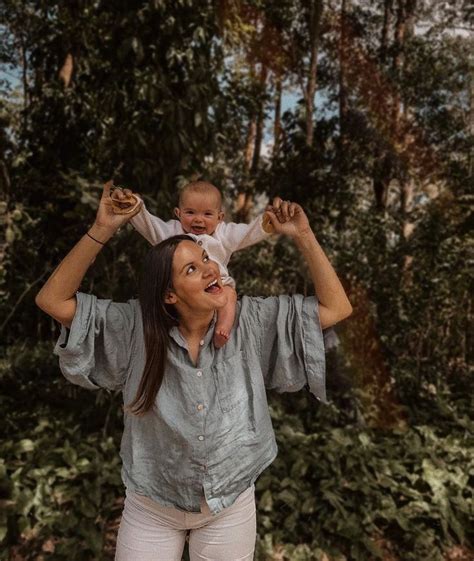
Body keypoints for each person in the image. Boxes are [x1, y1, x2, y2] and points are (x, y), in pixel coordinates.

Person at [35, 181, 352, 561]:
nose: (209, 270)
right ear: (169, 293)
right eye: (191, 268)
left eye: (205, 260)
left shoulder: (249, 321)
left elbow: (336, 309)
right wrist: (102, 229)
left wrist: (303, 234)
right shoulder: (135, 326)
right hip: (151, 508)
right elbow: (52, 300)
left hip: (229, 507)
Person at [125, 180, 272, 348]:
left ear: (219, 217)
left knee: (230, 294)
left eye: (207, 214)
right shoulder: (172, 232)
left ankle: (223, 327)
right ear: (178, 213)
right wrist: (135, 210)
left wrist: (265, 225)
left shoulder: (223, 233)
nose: (198, 220)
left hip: (219, 283)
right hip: (186, 291)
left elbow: (246, 233)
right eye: (190, 212)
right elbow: (150, 226)